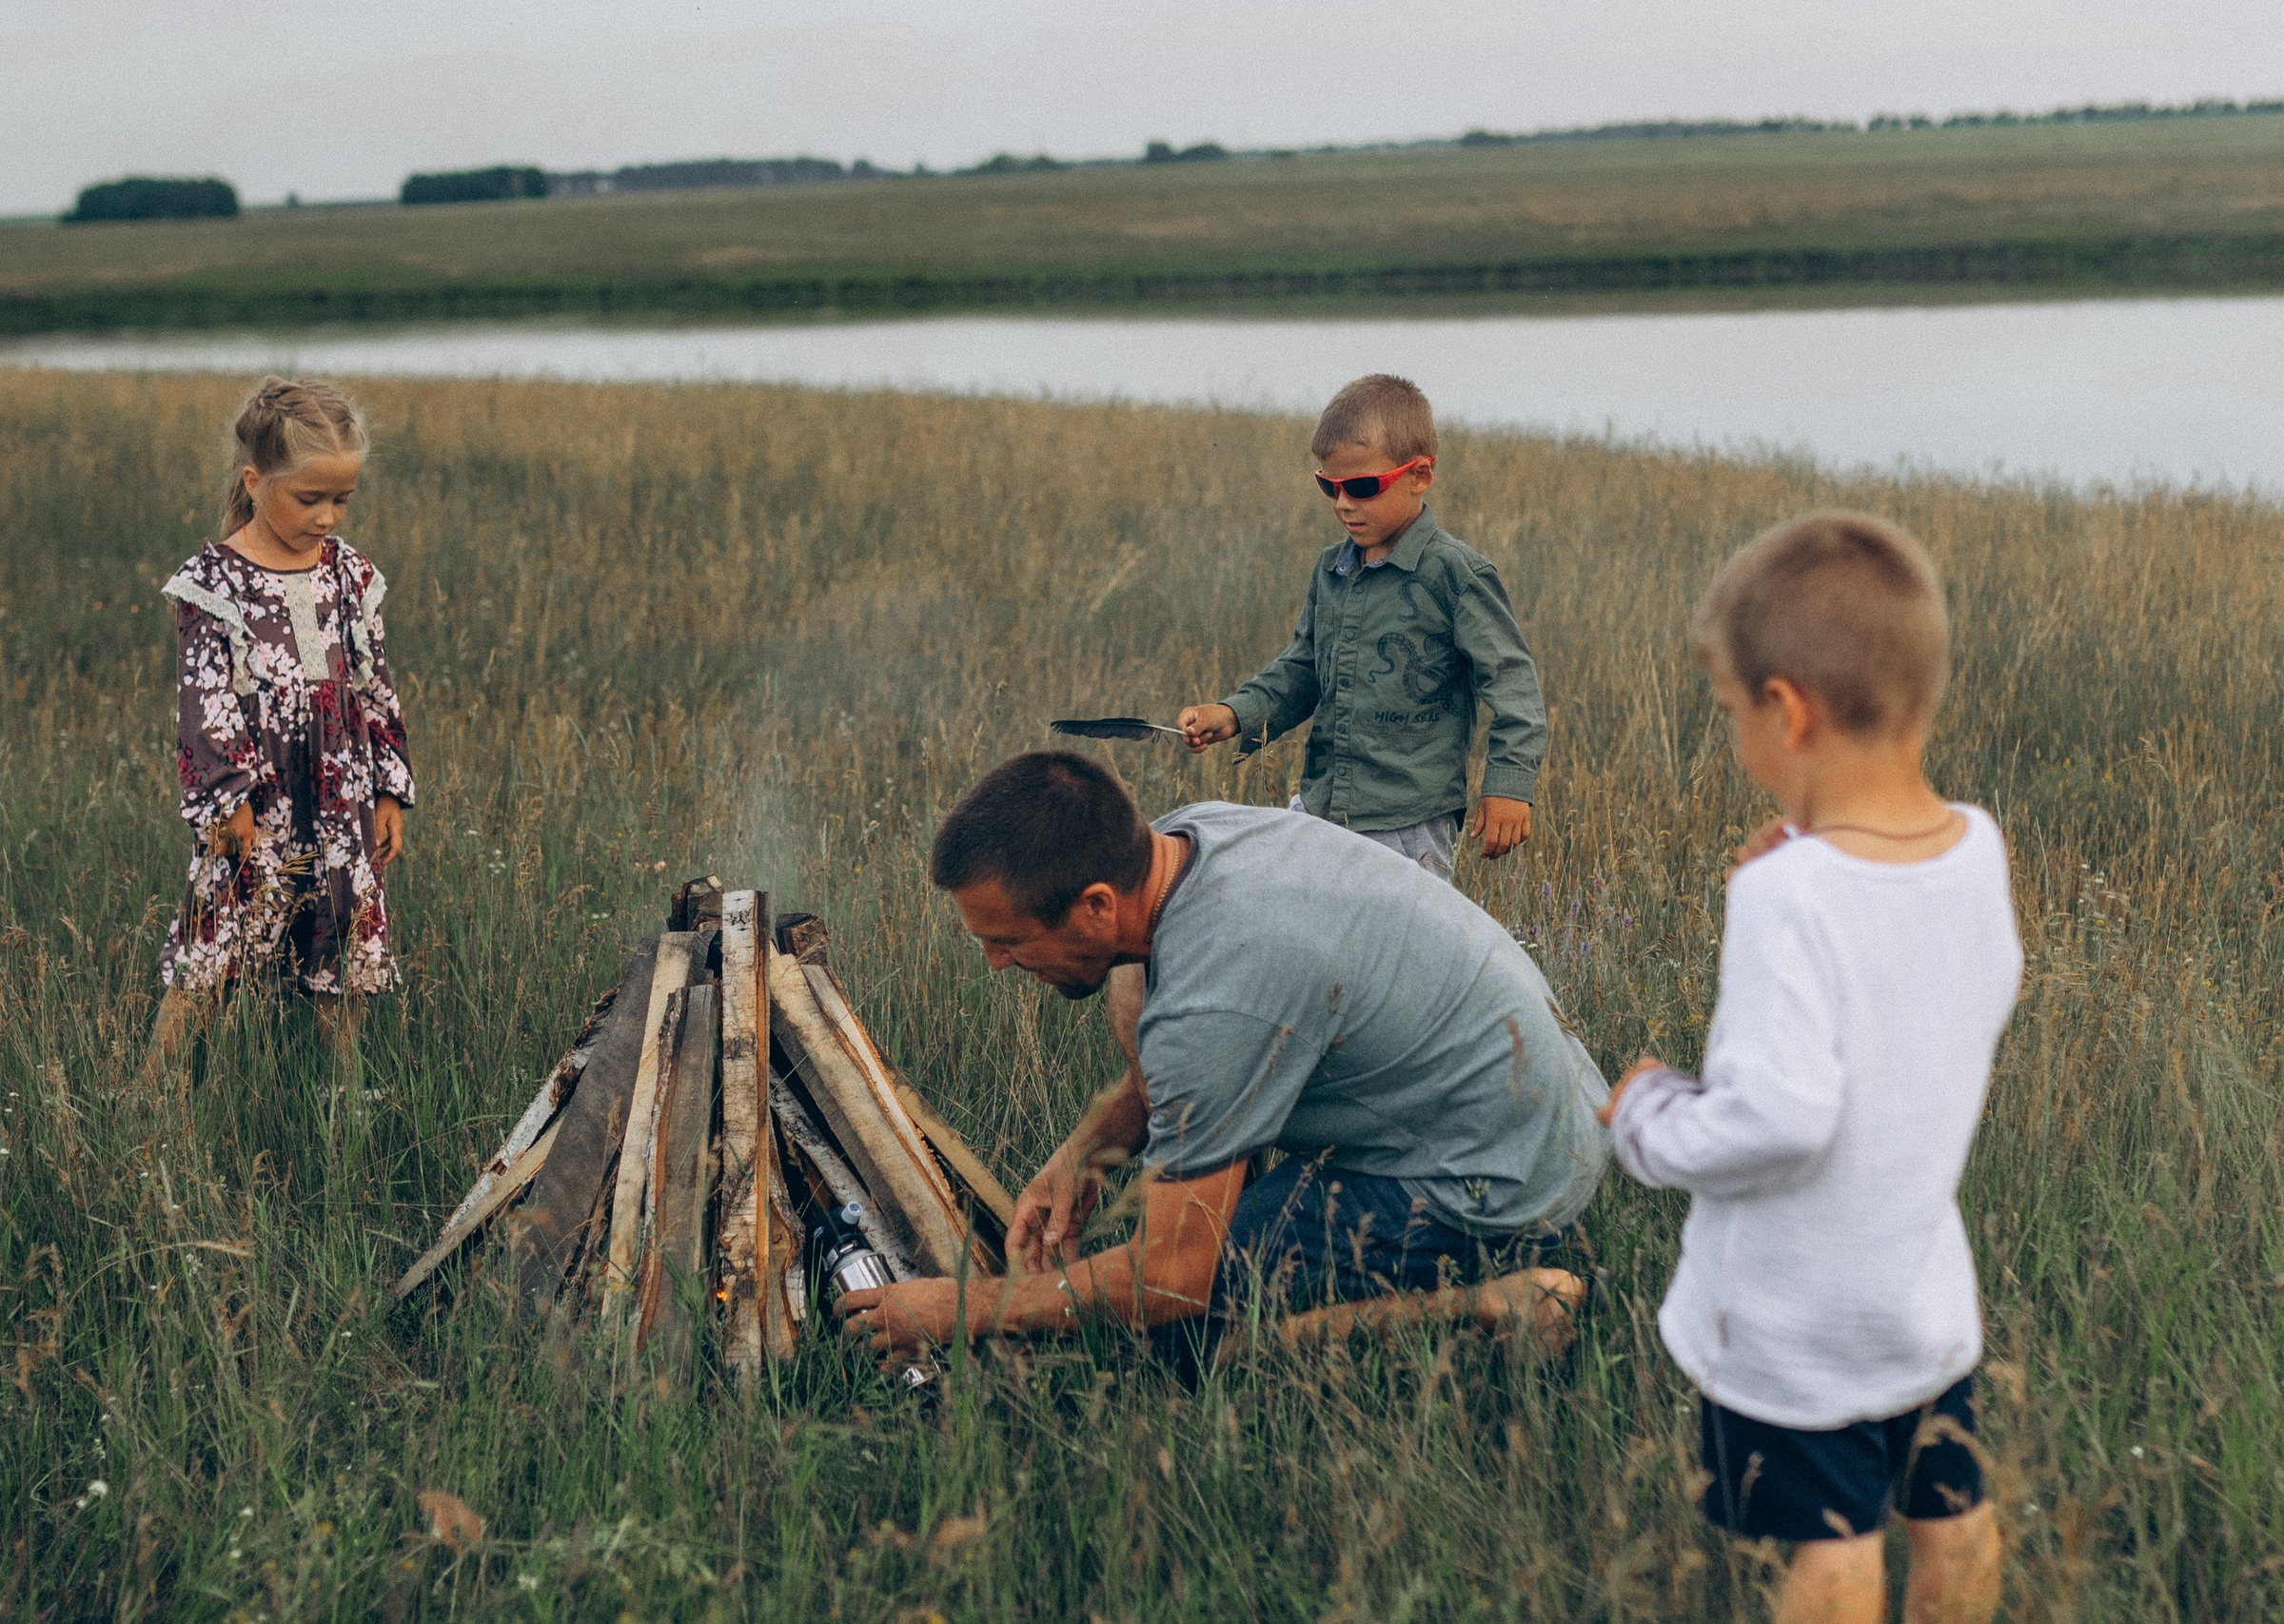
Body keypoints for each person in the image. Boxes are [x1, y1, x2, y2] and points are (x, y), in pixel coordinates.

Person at [839, 752, 1607, 1368]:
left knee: (1180, 1340)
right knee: (1135, 992)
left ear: (1097, 904)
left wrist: (960, 1309)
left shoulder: (1218, 999)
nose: (996, 964)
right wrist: (1089, 1156)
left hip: (1502, 1176)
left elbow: (1174, 1278)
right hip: (1522, 1108)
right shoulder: (1184, 843)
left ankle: (1497, 1299)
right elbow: (1160, 1025)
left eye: (1006, 940)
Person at [1599, 511, 2019, 1624]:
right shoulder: (1977, 847)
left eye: (1734, 714)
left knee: (1831, 1558)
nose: (1737, 738)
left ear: (1786, 710)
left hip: (1799, 1325)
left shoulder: (1784, 899)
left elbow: (1780, 1117)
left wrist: (1648, 1116)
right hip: (1921, 1297)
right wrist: (1807, 851)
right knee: (1951, 1519)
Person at [146, 378, 415, 1079]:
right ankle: (154, 1102)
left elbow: (375, 687)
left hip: (342, 806)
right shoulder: (215, 583)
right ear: (255, 481)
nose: (327, 516)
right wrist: (228, 802)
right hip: (254, 809)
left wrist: (391, 788)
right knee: (212, 955)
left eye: (342, 499)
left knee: (340, 961)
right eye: (309, 498)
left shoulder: (352, 578)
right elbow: (204, 705)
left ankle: (343, 1105)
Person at [1175, 374, 1546, 879]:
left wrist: (1508, 785)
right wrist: (1234, 713)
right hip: (1321, 809)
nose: (1343, 503)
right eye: (1329, 486)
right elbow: (1301, 671)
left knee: (1397, 953)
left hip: (1410, 825)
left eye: (1363, 487)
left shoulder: (1456, 575)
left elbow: (1515, 689)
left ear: (1420, 475)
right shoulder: (1331, 570)